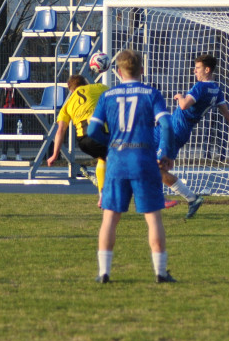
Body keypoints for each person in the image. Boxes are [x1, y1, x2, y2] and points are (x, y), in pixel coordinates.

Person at [86, 49, 176, 283]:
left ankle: (104, 273)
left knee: (110, 218)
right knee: (153, 218)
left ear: (117, 71)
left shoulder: (108, 96)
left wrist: (113, 144)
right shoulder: (151, 93)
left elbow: (92, 131)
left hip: (117, 162)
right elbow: (166, 125)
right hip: (144, 160)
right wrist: (165, 152)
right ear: (142, 70)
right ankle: (160, 272)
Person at [158, 53, 229, 218]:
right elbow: (228, 115)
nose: (194, 71)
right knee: (147, 158)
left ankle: (186, 198)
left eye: (197, 68)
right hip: (175, 130)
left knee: (156, 168)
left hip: (175, 130)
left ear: (207, 69)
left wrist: (180, 96)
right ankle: (167, 197)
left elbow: (183, 106)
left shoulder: (200, 87)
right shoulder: (216, 90)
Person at [47, 74, 109, 204]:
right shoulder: (98, 87)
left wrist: (54, 155)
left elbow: (60, 131)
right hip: (100, 134)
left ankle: (103, 192)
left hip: (82, 141)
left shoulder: (67, 104)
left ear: (71, 90)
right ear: (85, 83)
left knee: (103, 158)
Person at [0, 87, 24, 162]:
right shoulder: (2, 91)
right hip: (4, 115)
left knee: (15, 135)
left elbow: (21, 103)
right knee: (5, 135)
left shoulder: (17, 92)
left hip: (14, 115)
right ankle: (4, 154)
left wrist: (20, 115)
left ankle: (17, 154)